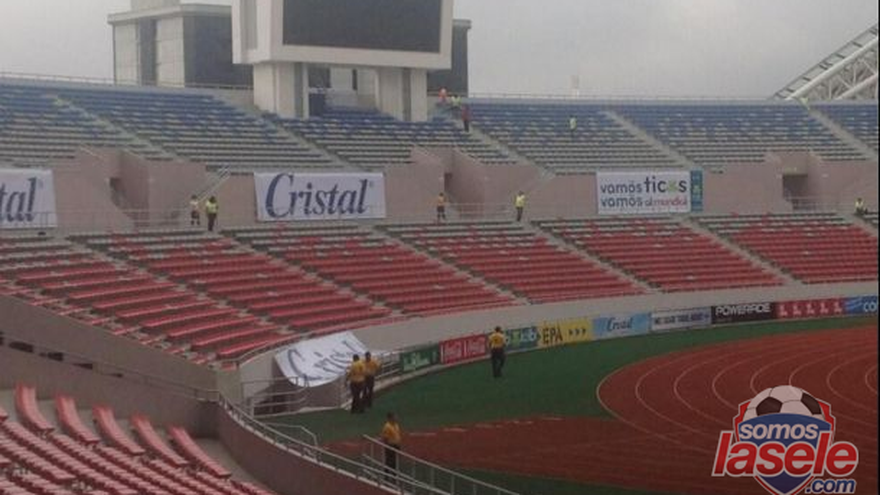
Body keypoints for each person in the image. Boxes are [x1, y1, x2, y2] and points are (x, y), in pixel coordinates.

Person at [380, 412, 402, 482]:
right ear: (390, 418)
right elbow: (385, 438)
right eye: (394, 417)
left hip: (396, 445)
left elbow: (397, 435)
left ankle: (393, 475)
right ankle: (387, 475)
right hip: (390, 445)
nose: (396, 418)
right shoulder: (387, 427)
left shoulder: (396, 425)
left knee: (394, 461)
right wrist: (388, 446)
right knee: (389, 461)